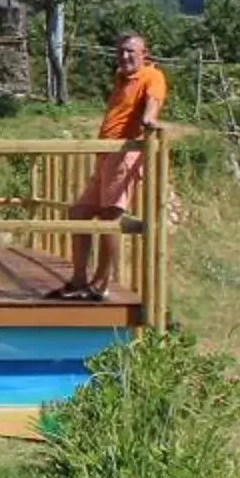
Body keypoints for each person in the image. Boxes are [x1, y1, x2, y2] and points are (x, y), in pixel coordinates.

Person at [54, 32, 168, 301]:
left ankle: (101, 283)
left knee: (109, 218)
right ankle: (79, 279)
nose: (124, 56)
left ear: (144, 54)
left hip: (124, 152)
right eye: (120, 51)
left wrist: (149, 120)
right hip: (105, 153)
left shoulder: (152, 76)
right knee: (79, 212)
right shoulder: (121, 77)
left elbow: (152, 103)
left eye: (130, 51)